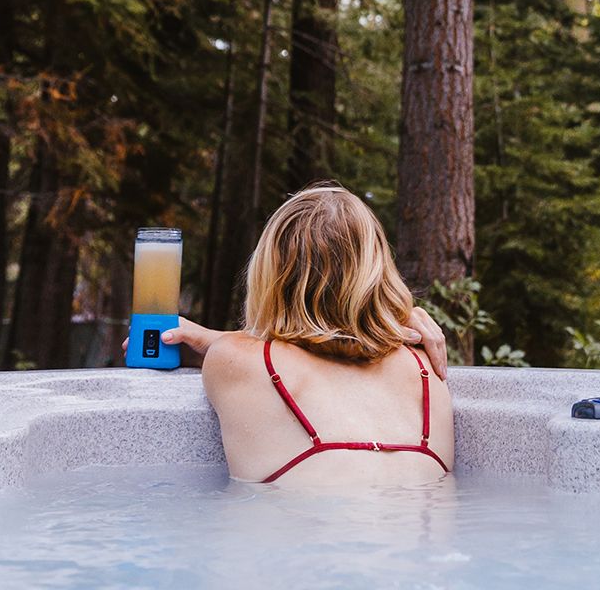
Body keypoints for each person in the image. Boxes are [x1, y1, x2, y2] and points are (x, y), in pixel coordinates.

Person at [157, 185, 455, 486]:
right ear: (377, 272)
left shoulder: (234, 359)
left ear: (271, 275)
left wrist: (212, 340)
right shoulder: (428, 368)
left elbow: (268, 346)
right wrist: (392, 316)